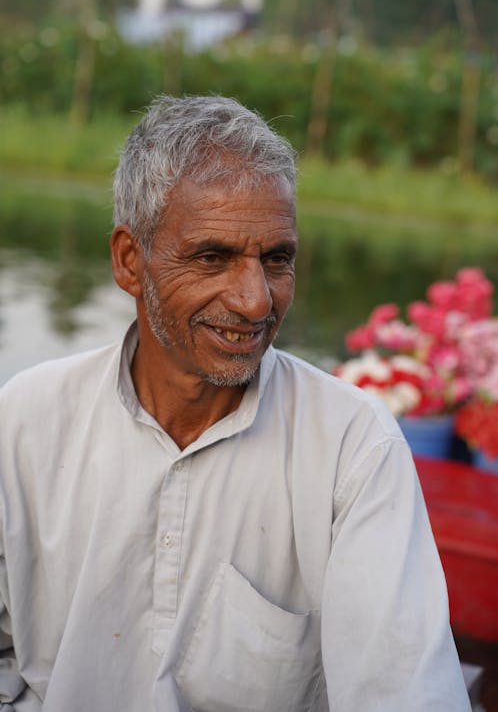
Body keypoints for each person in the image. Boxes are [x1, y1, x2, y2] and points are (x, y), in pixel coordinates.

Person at [0, 95, 470, 712]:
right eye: (212, 257)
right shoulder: (26, 420)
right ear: (129, 261)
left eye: (276, 259)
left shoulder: (350, 447)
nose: (254, 301)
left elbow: (402, 691)